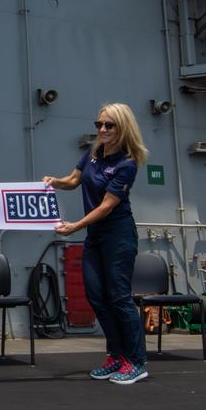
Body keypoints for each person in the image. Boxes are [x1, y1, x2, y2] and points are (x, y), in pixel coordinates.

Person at [42, 102, 149, 385]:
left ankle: (136, 361)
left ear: (122, 127)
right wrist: (55, 181)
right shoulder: (93, 153)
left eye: (109, 125)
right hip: (96, 236)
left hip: (118, 234)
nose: (102, 129)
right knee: (96, 295)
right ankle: (116, 357)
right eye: (99, 124)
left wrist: (75, 226)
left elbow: (106, 206)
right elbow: (74, 179)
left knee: (119, 297)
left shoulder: (126, 164)